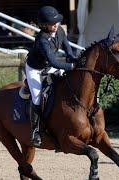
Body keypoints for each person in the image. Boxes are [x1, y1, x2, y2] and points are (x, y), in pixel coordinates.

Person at [25, 6, 84, 147]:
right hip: (35, 69)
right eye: (52, 23)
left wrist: (74, 58)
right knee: (38, 98)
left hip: (50, 66)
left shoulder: (60, 31)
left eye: (56, 21)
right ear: (44, 25)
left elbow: (67, 49)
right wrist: (71, 67)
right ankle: (35, 131)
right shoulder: (42, 40)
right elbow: (53, 62)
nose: (56, 24)